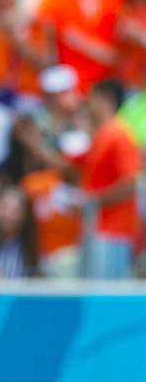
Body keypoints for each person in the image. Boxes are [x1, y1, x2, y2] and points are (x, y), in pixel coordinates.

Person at [78, 80, 141, 279]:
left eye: (92, 98)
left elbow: (131, 183)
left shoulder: (118, 134)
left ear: (106, 100)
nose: (88, 103)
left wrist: (93, 200)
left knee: (106, 291)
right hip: (98, 228)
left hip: (114, 231)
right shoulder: (103, 134)